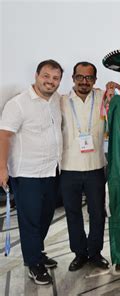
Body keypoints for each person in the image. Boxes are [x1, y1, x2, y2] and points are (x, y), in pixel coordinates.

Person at [0, 59, 64, 285]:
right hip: (27, 173)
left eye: (55, 78)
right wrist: (2, 169)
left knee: (46, 215)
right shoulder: (18, 104)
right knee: (30, 220)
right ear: (37, 75)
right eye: (46, 76)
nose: (50, 81)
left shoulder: (56, 99)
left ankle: (37, 251)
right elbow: (4, 135)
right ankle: (34, 263)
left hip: (51, 170)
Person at [60, 62, 109, 272]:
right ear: (72, 78)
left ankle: (95, 252)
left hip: (96, 166)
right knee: (72, 213)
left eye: (89, 78)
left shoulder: (103, 98)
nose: (84, 82)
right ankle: (79, 253)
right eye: (80, 77)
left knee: (97, 213)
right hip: (68, 167)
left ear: (95, 81)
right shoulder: (61, 101)